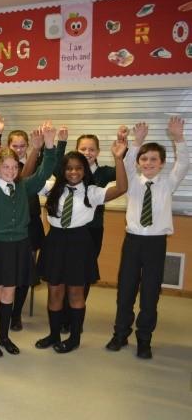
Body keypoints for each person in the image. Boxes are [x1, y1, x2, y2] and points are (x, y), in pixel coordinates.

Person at [106, 117, 189, 359]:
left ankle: (144, 339)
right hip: (132, 242)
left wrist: (179, 138)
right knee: (125, 292)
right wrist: (137, 141)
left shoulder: (168, 183)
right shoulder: (131, 181)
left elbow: (183, 163)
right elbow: (127, 163)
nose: (148, 163)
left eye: (154, 159)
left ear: (162, 163)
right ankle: (120, 334)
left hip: (155, 244)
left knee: (150, 294)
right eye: (144, 158)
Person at [0, 118, 58, 357]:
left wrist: (49, 146)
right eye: (5, 167)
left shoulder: (24, 187)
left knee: (9, 293)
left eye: (14, 167)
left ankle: (4, 336)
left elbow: (44, 173)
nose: (11, 171)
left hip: (19, 246)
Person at [35, 138, 127, 353]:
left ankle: (74, 337)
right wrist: (40, 150)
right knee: (54, 291)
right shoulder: (52, 189)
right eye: (69, 168)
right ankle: (54, 334)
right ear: (63, 170)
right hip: (55, 241)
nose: (73, 172)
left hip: (79, 243)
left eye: (78, 168)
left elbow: (122, 187)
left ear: (84, 170)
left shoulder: (92, 192)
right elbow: (28, 179)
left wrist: (119, 158)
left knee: (76, 293)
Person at [58, 134, 117, 332]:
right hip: (70, 231)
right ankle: (64, 315)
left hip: (93, 230)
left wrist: (125, 150)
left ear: (98, 152)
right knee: (66, 273)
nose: (87, 153)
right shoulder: (69, 171)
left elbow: (126, 176)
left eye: (92, 149)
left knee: (82, 275)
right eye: (83, 149)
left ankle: (75, 318)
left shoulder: (104, 172)